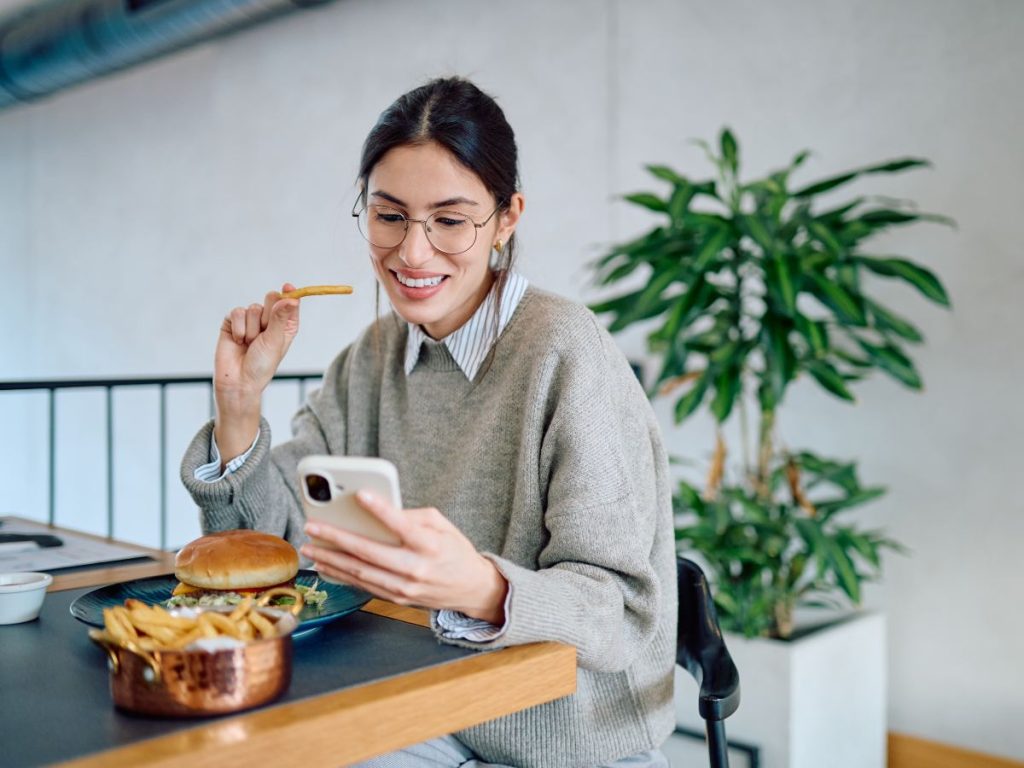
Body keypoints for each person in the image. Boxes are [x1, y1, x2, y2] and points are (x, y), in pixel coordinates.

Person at [180, 76, 677, 768]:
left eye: (449, 221)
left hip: (563, 743)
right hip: (425, 706)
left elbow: (619, 612)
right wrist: (239, 406)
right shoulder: (372, 358)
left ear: (506, 219)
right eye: (390, 216)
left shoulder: (567, 352)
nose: (412, 253)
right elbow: (272, 542)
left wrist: (477, 586)